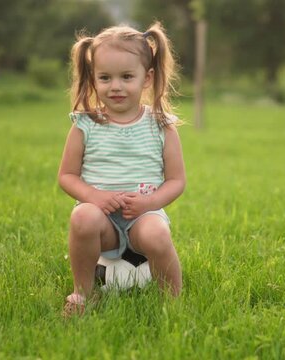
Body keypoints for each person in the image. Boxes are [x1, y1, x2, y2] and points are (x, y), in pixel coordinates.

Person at [57, 22, 186, 316]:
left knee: (156, 234)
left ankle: (173, 303)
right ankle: (83, 295)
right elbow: (66, 176)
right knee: (82, 215)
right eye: (105, 77)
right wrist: (94, 196)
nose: (115, 86)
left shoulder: (161, 125)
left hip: (143, 215)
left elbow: (177, 181)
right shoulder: (84, 124)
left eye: (126, 76)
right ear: (93, 79)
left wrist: (150, 203)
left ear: (146, 78)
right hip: (102, 221)